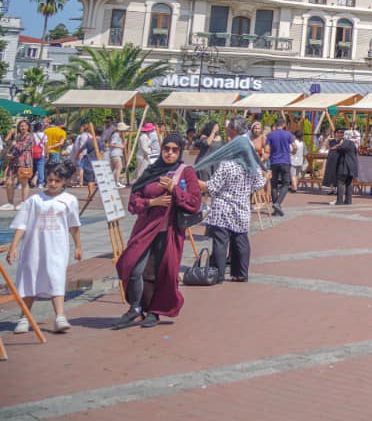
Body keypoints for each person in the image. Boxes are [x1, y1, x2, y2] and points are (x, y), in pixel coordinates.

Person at [111, 133, 202, 329]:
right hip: (145, 229)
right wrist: (152, 202)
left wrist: (174, 189)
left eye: (174, 150)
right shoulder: (151, 171)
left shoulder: (185, 172)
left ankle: (154, 311)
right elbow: (134, 202)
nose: (169, 153)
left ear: (180, 152)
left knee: (164, 272)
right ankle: (136, 308)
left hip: (169, 231)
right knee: (131, 266)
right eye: (166, 149)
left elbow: (195, 202)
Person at [4, 163, 83, 333]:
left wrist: (78, 246)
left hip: (56, 247)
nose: (53, 184)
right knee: (29, 278)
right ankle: (24, 317)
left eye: (57, 181)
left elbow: (74, 225)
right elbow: (22, 224)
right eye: (50, 180)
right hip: (33, 247)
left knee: (56, 277)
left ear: (65, 181)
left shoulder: (69, 200)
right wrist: (13, 246)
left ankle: (60, 316)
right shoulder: (34, 200)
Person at [197, 122, 265, 282]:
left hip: (223, 208)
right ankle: (241, 273)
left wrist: (198, 183)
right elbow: (259, 183)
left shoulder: (227, 165)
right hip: (242, 208)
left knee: (221, 242)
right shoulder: (252, 167)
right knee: (241, 240)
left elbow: (212, 187)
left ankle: (218, 274)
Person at [261, 119, 295, 215]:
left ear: (275, 124)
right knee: (286, 183)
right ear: (284, 124)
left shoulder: (270, 135)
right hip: (285, 161)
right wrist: (293, 152)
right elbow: (295, 147)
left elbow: (267, 150)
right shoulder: (288, 134)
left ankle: (276, 210)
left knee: (274, 184)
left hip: (274, 161)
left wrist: (264, 158)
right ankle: (277, 203)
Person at [4, 122, 37, 208]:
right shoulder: (18, 136)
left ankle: (24, 202)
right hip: (14, 161)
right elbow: (11, 146)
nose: (23, 127)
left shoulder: (30, 136)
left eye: (25, 126)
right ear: (18, 127)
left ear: (28, 127)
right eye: (21, 126)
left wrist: (13, 147)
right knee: (8, 181)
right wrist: (9, 152)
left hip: (24, 160)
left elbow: (22, 147)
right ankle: (10, 203)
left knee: (24, 182)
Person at [323, 130, 359, 205]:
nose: (342, 136)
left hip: (344, 166)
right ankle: (348, 201)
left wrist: (337, 145)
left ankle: (339, 201)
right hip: (351, 167)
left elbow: (339, 149)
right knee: (349, 183)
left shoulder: (346, 143)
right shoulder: (353, 143)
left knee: (340, 182)